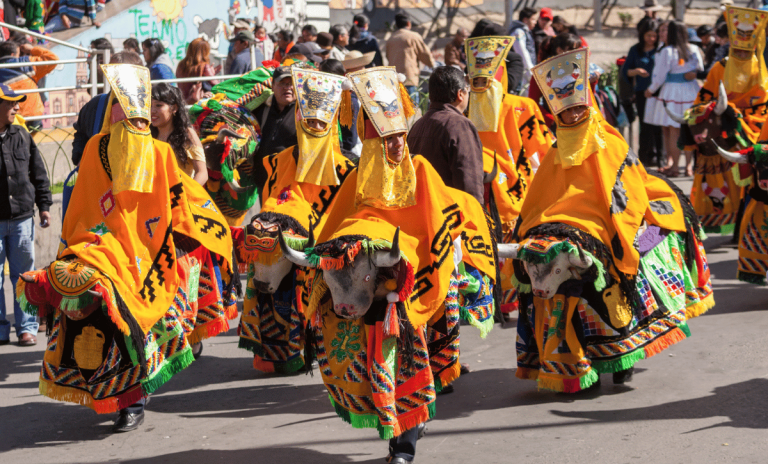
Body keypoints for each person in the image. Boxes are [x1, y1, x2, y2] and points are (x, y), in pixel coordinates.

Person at [289, 65, 495, 464]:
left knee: (407, 364)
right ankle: (396, 433)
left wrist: (420, 263)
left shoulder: (423, 173)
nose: (394, 144)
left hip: (410, 290)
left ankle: (405, 443)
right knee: (373, 370)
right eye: (382, 136)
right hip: (362, 292)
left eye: (397, 135)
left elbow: (444, 223)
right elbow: (333, 232)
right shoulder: (353, 182)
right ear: (366, 138)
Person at [16, 63, 236, 433]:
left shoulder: (162, 155)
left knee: (137, 327)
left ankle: (133, 399)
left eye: (137, 106)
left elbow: (179, 203)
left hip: (150, 256)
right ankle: (117, 393)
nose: (132, 114)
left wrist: (194, 238)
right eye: (121, 105)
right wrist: (80, 246)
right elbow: (82, 210)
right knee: (88, 298)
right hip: (101, 247)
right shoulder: (93, 151)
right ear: (112, 108)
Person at [512, 47, 713, 393]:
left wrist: (614, 227)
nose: (573, 115)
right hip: (561, 232)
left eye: (577, 107)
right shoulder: (554, 151)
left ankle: (624, 355)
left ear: (587, 103)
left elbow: (627, 190)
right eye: (565, 109)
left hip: (607, 226)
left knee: (621, 263)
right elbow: (538, 200)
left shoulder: (610, 141)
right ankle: (576, 361)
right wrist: (526, 230)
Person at [235, 66, 357, 374]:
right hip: (286, 238)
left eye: (321, 122)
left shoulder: (347, 170)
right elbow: (275, 194)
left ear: (330, 123)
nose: (315, 127)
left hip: (323, 244)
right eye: (309, 121)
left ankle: (318, 348)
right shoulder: (278, 161)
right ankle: (280, 350)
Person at [466, 35, 553, 317]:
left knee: (476, 241)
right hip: (511, 189)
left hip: (473, 188)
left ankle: (481, 298)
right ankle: (507, 297)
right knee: (509, 241)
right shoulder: (521, 105)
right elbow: (543, 148)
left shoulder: (464, 104)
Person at [0, 84, 50, 347]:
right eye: (11, 103)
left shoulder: (22, 134)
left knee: (24, 277)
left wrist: (44, 206)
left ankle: (27, 329)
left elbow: (38, 173)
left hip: (21, 219)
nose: (17, 108)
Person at [407, 66, 483, 203]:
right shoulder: (459, 124)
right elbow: (469, 179)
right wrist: (478, 214)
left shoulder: (418, 125)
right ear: (460, 94)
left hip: (424, 210)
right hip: (451, 212)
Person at [644, 20, 703, 177]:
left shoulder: (668, 51)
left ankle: (675, 167)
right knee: (688, 129)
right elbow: (700, 68)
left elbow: (660, 75)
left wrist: (650, 90)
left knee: (673, 130)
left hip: (672, 91)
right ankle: (689, 167)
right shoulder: (695, 49)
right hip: (691, 90)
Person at [71, 51, 144, 166]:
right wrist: (80, 158)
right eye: (112, 73)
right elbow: (81, 134)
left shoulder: (150, 106)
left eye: (122, 73)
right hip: (100, 176)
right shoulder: (95, 105)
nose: (116, 79)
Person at [623, 19, 663, 166]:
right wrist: (636, 71)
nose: (651, 39)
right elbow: (626, 71)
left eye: (654, 36)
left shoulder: (661, 49)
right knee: (645, 126)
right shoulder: (635, 50)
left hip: (659, 92)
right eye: (648, 36)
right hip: (642, 92)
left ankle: (661, 158)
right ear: (642, 35)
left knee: (659, 126)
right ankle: (643, 158)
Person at [150, 83, 207, 186]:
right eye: (150, 106)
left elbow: (202, 173)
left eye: (158, 105)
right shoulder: (147, 134)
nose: (152, 111)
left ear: (174, 108)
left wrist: (186, 196)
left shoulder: (187, 134)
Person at [252, 66, 297, 193]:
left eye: (290, 83)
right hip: (264, 182)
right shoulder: (262, 108)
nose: (287, 87)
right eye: (282, 83)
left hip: (291, 185)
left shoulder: (304, 113)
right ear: (272, 86)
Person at [385, 12, 436, 106]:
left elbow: (388, 57)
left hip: (394, 80)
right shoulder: (413, 36)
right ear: (409, 23)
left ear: (396, 25)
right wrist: (433, 65)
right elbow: (425, 55)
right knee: (412, 111)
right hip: (409, 79)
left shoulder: (391, 39)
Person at [0, 41, 58, 118]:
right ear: (12, 54)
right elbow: (53, 59)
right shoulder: (25, 63)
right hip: (32, 115)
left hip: (8, 118)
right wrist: (31, 49)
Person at [176, 38, 219, 104]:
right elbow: (217, 85)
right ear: (205, 52)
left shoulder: (181, 65)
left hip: (184, 102)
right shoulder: (204, 66)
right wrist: (212, 73)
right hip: (197, 103)